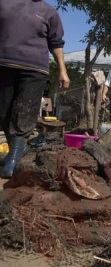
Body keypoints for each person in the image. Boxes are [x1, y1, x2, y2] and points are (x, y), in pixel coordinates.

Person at [0, 0, 70, 177]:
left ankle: (14, 158)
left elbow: (56, 43)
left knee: (24, 113)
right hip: (4, 65)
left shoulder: (49, 12)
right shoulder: (4, 3)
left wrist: (62, 70)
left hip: (34, 69)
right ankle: (15, 153)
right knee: (4, 112)